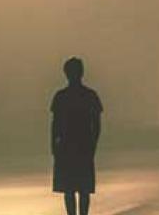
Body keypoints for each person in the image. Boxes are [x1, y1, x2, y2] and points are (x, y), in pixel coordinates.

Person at [51, 56, 102, 215]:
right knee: (80, 188)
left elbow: (54, 125)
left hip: (70, 147)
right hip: (80, 146)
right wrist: (93, 144)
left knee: (72, 188)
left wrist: (53, 145)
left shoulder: (61, 97)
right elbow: (97, 124)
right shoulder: (89, 95)